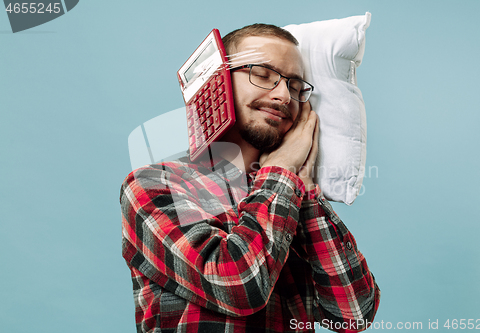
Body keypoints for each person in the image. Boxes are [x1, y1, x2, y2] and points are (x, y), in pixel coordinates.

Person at [120, 23, 380, 333]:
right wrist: (282, 170)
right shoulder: (156, 185)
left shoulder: (294, 196)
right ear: (218, 82)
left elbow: (353, 315)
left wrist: (305, 188)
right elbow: (238, 285)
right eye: (263, 74)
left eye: (296, 87)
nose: (284, 95)